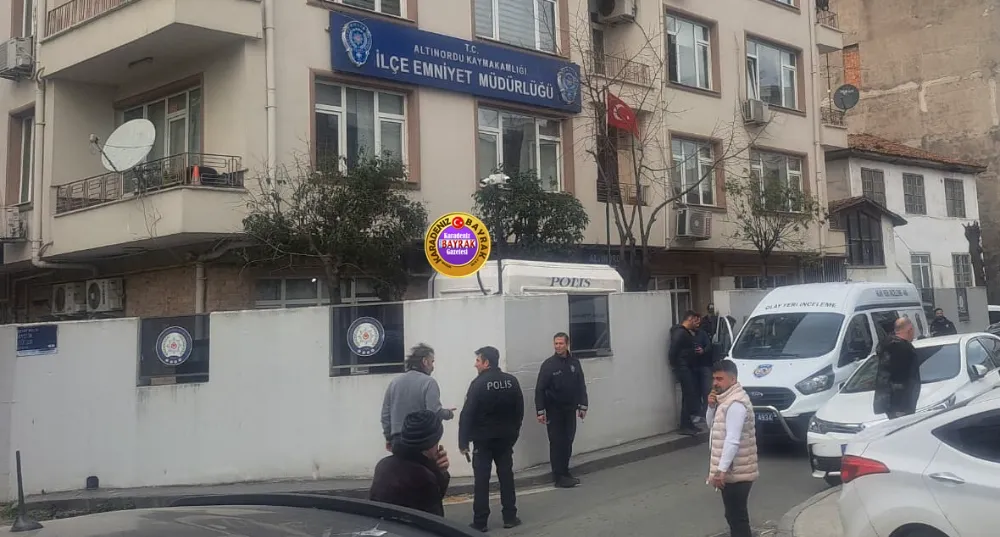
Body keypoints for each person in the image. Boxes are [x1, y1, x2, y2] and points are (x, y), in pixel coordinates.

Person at [459, 346, 524, 532]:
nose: (475, 364)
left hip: (483, 441)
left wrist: (463, 442)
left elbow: (467, 414)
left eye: (478, 361)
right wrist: (514, 433)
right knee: (506, 477)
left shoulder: (478, 384)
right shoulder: (511, 381)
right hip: (505, 439)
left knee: (481, 481)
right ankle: (510, 517)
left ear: (487, 363)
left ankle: (480, 522)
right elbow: (519, 410)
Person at [706, 360, 758, 537]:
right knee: (734, 515)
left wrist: (721, 470)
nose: (715, 383)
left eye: (720, 379)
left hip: (737, 470)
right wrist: (711, 407)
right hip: (734, 469)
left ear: (733, 379)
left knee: (737, 517)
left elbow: (732, 440)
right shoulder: (725, 401)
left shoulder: (736, 404)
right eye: (714, 378)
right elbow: (712, 427)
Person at [369, 410, 451, 516]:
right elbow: (435, 518)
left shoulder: (383, 465)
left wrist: (437, 470)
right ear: (431, 444)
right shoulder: (424, 477)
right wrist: (439, 472)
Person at [535, 332, 589, 488]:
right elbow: (540, 389)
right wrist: (540, 410)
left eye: (561, 343)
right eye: (556, 343)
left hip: (570, 410)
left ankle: (565, 472)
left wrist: (583, 405)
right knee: (557, 443)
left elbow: (580, 385)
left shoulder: (574, 363)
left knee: (568, 441)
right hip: (554, 411)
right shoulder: (549, 365)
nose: (558, 346)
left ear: (567, 344)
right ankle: (558, 477)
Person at [381, 343, 456, 450]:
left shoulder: (394, 383)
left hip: (398, 440)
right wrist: (448, 414)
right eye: (432, 362)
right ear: (425, 361)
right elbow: (434, 412)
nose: (433, 367)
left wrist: (389, 437)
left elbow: (385, 414)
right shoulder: (429, 382)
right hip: (420, 440)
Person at [873, 317, 921, 419]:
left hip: (888, 402)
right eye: (913, 331)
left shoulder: (886, 347)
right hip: (901, 403)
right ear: (910, 330)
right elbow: (905, 378)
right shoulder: (903, 349)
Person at [669, 310, 701, 436]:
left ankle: (688, 424)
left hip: (687, 367)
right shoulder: (680, 333)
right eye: (695, 320)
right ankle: (684, 425)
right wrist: (677, 366)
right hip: (683, 368)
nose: (696, 324)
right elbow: (673, 351)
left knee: (689, 396)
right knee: (688, 395)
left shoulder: (686, 333)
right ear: (689, 319)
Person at [693, 314, 715, 420]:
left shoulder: (702, 333)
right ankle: (698, 413)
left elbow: (709, 346)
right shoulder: (687, 333)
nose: (697, 323)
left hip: (705, 365)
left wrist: (703, 350)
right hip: (692, 366)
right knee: (695, 391)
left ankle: (706, 412)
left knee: (706, 389)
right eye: (695, 320)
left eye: (698, 320)